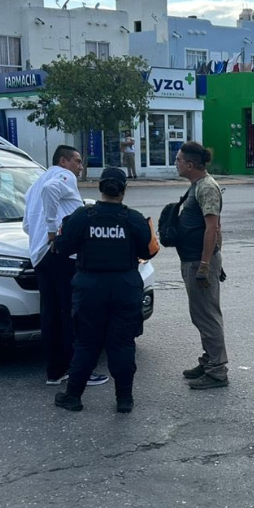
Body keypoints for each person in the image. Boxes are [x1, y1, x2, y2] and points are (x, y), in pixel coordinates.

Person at [54, 167, 154, 413]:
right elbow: (147, 251)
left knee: (87, 344)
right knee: (122, 344)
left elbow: (62, 247)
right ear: (124, 190)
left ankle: (73, 396)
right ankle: (124, 400)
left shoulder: (82, 216)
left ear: (100, 187)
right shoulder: (134, 218)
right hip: (125, 287)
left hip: (90, 287)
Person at [23, 144, 108, 388]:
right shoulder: (61, 177)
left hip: (40, 255)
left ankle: (55, 371)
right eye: (77, 161)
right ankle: (78, 370)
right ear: (63, 161)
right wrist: (52, 230)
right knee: (72, 313)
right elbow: (52, 190)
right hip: (61, 253)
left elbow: (27, 225)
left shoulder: (33, 185)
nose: (80, 168)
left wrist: (41, 237)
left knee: (50, 314)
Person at [172, 141, 228, 389]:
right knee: (201, 314)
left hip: (199, 262)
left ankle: (217, 370)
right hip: (195, 259)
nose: (177, 163)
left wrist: (206, 264)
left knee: (207, 316)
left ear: (190, 164)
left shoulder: (206, 188)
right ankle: (209, 361)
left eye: (179, 160)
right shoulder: (198, 186)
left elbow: (212, 227)